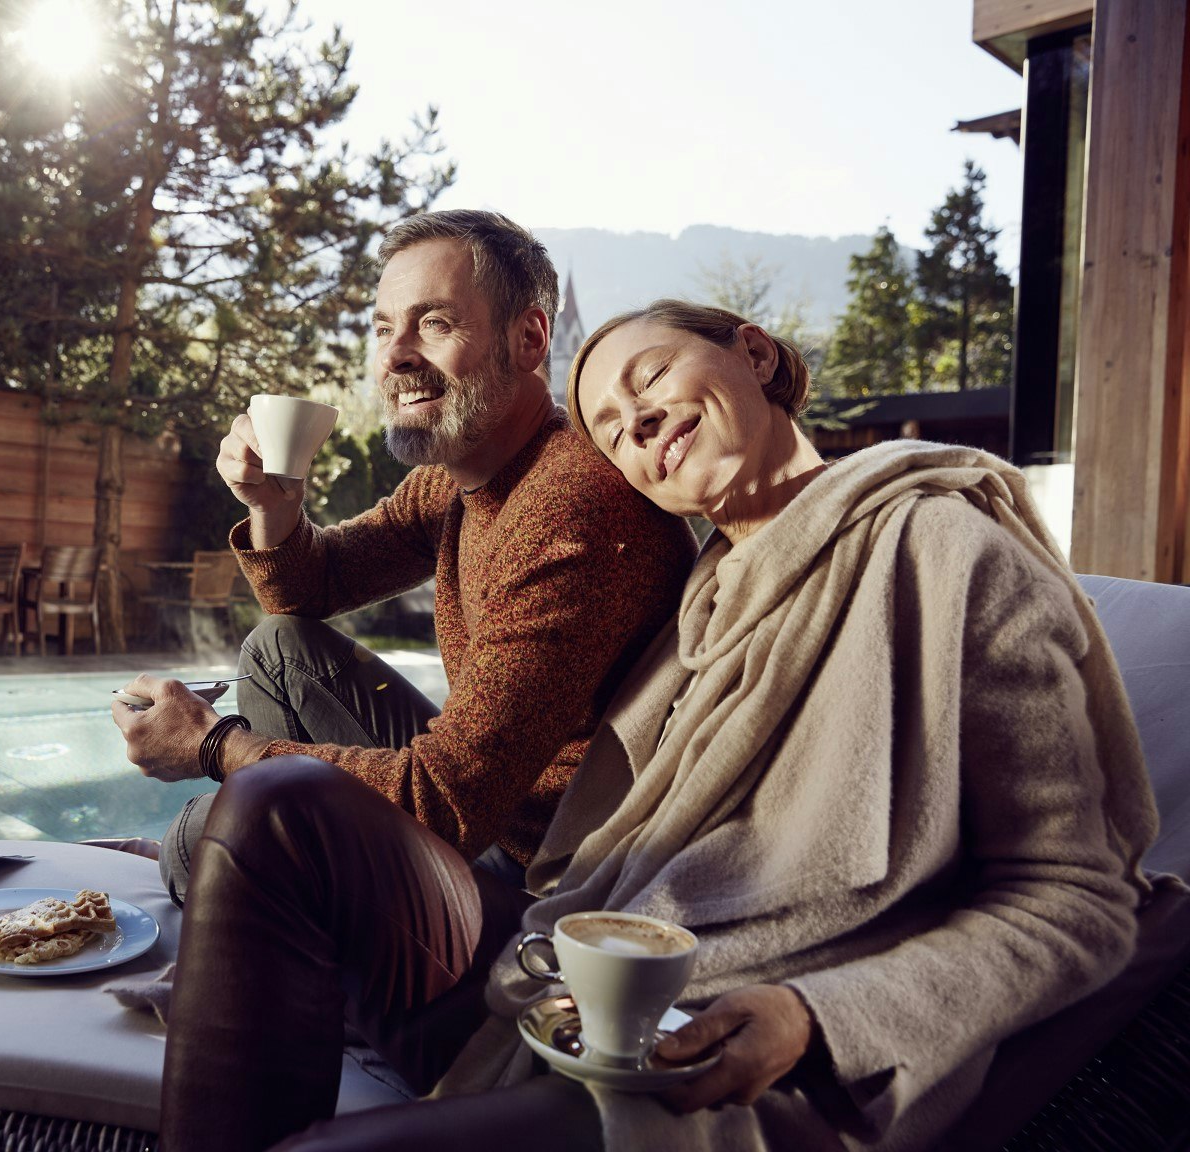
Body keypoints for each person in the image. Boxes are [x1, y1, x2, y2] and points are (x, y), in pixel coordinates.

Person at [151, 299, 1159, 1152]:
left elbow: (1076, 898)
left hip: (742, 1046)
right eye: (610, 426)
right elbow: (315, 587)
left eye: (653, 375)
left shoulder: (946, 552)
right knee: (278, 807)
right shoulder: (711, 594)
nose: (634, 421)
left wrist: (816, 1020)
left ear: (754, 354)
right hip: (594, 966)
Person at [112, 211, 696, 902]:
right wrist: (274, 504)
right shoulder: (463, 476)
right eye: (385, 328)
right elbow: (309, 591)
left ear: (530, 337)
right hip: (486, 815)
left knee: (201, 839)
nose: (394, 357)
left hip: (545, 872)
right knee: (279, 649)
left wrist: (215, 745)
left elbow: (442, 801)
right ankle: (276, 881)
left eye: (435, 323)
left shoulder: (570, 508)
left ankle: (260, 886)